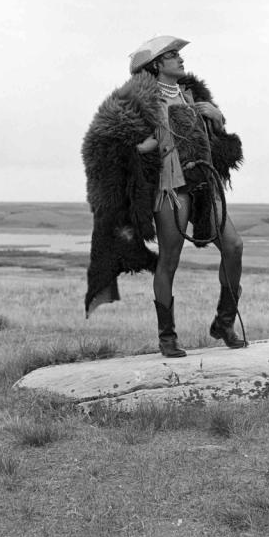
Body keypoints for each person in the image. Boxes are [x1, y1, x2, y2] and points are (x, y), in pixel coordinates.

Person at [82, 36, 245, 358]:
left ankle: (224, 322)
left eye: (178, 55)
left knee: (234, 246)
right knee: (170, 260)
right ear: (156, 64)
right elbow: (106, 142)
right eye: (172, 55)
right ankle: (167, 336)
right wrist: (141, 148)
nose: (180, 59)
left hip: (205, 183)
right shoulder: (136, 100)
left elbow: (215, 138)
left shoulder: (192, 95)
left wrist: (217, 117)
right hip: (171, 188)